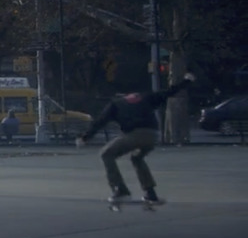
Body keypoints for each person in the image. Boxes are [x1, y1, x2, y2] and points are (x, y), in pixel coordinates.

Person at [78, 76, 195, 206]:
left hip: (135, 135)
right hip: (152, 135)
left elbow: (100, 122)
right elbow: (169, 92)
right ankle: (151, 194)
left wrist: (85, 138)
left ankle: (121, 191)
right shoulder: (146, 97)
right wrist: (187, 81)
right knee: (137, 158)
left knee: (106, 154)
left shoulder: (115, 104)